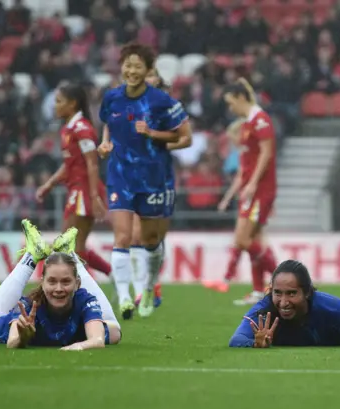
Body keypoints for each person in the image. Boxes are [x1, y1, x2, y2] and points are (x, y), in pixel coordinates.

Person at [97, 42, 189, 320]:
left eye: (138, 66)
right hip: (120, 176)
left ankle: (148, 286)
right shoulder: (111, 97)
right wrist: (104, 144)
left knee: (150, 239)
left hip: (153, 178)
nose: (132, 70)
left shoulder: (162, 101)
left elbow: (184, 136)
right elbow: (108, 124)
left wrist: (152, 134)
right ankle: (125, 298)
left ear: (149, 70)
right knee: (123, 236)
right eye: (128, 64)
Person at [0, 219, 121, 349]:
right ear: (42, 282)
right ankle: (31, 256)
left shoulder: (84, 300)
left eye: (66, 282)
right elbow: (12, 342)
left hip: (77, 333)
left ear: (77, 284)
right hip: (12, 328)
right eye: (51, 281)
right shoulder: (29, 306)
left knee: (114, 332)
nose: (58, 289)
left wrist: (79, 346)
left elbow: (97, 340)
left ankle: (70, 255)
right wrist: (23, 337)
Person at [203, 78, 278, 306]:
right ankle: (258, 290)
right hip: (251, 189)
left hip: (261, 189)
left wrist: (254, 182)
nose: (230, 108)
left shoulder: (261, 120)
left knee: (243, 240)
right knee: (251, 240)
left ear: (240, 98)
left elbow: (267, 153)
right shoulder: (248, 123)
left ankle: (287, 280)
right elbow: (247, 164)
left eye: (230, 102)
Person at [229, 260, 340, 348]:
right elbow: (236, 340)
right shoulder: (264, 310)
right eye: (277, 293)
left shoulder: (332, 307)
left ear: (307, 292)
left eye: (291, 293)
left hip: (338, 339)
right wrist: (254, 344)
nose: (283, 302)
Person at [35, 82, 112, 278]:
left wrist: (94, 197)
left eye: (59, 101)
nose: (55, 105)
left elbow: (92, 163)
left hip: (84, 192)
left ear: (73, 104)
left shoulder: (81, 129)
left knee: (69, 248)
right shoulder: (69, 129)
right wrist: (49, 184)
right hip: (78, 190)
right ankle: (114, 276)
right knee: (76, 249)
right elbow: (69, 165)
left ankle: (89, 293)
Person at [132, 69, 191, 311]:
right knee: (136, 234)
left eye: (150, 74)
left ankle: (153, 284)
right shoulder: (128, 105)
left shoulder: (168, 107)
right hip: (133, 173)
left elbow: (186, 140)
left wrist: (156, 138)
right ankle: (140, 290)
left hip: (160, 175)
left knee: (155, 237)